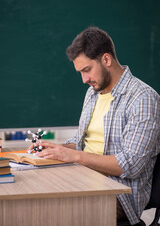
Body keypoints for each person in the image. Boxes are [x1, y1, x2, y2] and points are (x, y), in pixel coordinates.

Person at [28, 27, 160, 225]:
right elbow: (80, 142)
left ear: (106, 59)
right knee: (32, 193)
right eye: (80, 72)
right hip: (82, 178)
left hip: (119, 196)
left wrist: (74, 156)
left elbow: (130, 165)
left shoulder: (143, 99)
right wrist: (59, 149)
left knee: (48, 211)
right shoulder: (93, 92)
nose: (84, 80)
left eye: (86, 70)